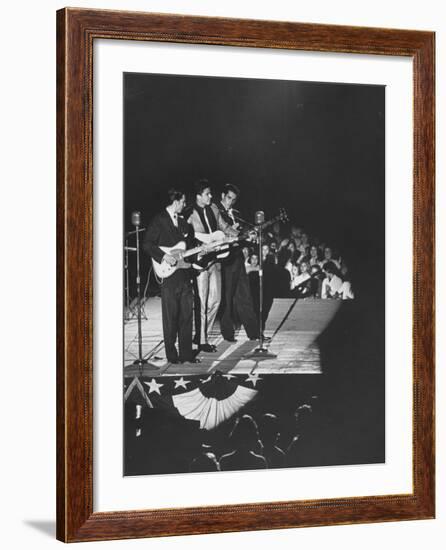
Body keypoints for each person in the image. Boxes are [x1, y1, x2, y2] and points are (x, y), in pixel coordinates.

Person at [143, 188, 200, 364]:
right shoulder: (159, 220)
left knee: (186, 316)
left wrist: (201, 251)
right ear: (176, 201)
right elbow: (147, 244)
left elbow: (188, 248)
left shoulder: (183, 223)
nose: (184, 205)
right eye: (183, 202)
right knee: (170, 317)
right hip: (168, 275)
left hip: (184, 274)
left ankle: (186, 354)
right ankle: (172, 356)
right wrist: (163, 256)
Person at [187, 179, 238, 352]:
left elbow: (225, 227)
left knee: (216, 301)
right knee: (201, 302)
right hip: (200, 262)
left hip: (215, 261)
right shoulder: (189, 213)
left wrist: (239, 234)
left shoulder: (214, 209)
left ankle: (202, 334)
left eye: (210, 193)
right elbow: (187, 237)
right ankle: (202, 341)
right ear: (198, 196)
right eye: (207, 194)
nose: (210, 196)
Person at [217, 184, 259, 342]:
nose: (230, 202)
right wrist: (234, 231)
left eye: (233, 200)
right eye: (229, 198)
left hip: (238, 257)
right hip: (225, 258)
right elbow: (219, 232)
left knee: (245, 295)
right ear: (222, 195)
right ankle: (228, 334)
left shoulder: (236, 213)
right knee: (227, 297)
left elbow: (243, 233)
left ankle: (253, 333)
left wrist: (250, 236)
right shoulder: (216, 211)